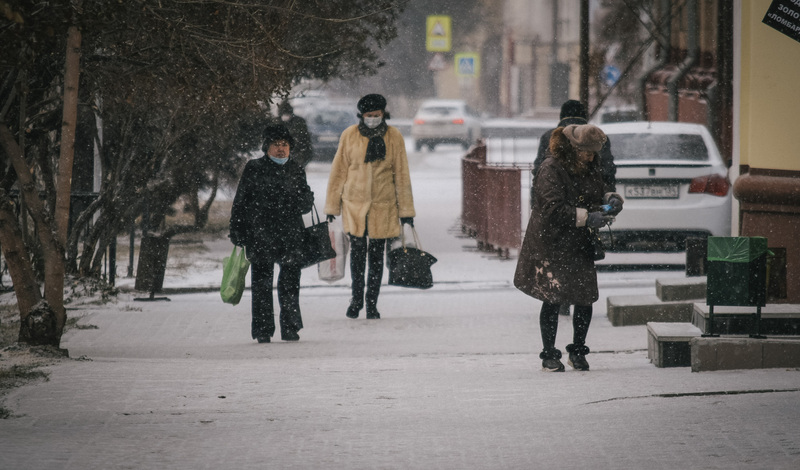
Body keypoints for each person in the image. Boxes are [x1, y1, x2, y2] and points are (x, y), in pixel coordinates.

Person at [514, 124, 624, 372]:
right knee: (553, 297)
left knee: (585, 297)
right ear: (574, 148)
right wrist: (588, 217)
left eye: (594, 152)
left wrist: (608, 199)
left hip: (579, 240)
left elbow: (594, 191)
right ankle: (549, 355)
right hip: (551, 241)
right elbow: (552, 209)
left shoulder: (590, 164)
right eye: (586, 152)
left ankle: (578, 351)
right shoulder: (551, 168)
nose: (591, 157)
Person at [324, 93, 415, 320]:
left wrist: (406, 213)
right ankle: (356, 300)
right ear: (361, 116)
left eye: (376, 115)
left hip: (383, 207)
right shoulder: (349, 136)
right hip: (354, 206)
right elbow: (338, 172)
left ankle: (371, 303)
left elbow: (402, 176)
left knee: (375, 259)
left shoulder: (394, 137)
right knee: (357, 255)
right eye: (368, 115)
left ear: (383, 114)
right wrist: (332, 207)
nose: (373, 119)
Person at [229, 124, 314, 343]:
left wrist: (304, 199)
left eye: (285, 145)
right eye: (276, 145)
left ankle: (290, 327)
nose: (280, 149)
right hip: (261, 234)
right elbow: (241, 201)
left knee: (290, 283)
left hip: (290, 235)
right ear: (266, 147)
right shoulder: (254, 168)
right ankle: (263, 330)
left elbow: (305, 203)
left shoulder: (296, 168)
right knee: (262, 284)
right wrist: (237, 229)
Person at [533, 99, 617, 317]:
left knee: (558, 266)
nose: (589, 157)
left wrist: (539, 204)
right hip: (585, 212)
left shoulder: (549, 138)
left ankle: (561, 299)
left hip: (557, 219)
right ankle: (574, 304)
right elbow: (606, 172)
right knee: (581, 263)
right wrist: (608, 198)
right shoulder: (597, 138)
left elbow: (538, 173)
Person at [274, 100, 314, 167]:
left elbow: (304, 140)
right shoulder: (276, 123)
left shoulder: (298, 122)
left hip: (297, 155)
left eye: (287, 114)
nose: (286, 117)